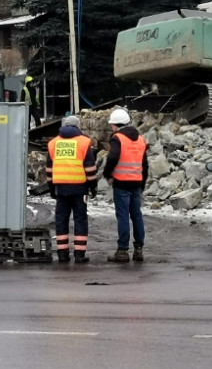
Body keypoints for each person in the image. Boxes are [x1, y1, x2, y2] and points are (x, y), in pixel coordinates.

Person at [46, 115, 98, 264]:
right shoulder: (84, 142)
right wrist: (93, 186)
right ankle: (79, 255)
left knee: (61, 219)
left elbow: (49, 169)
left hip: (61, 189)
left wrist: (51, 188)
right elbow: (90, 167)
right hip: (79, 188)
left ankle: (62, 254)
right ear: (78, 127)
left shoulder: (53, 143)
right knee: (80, 219)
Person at [104, 107, 148, 263]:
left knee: (123, 216)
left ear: (115, 125)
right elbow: (145, 164)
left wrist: (107, 174)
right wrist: (142, 184)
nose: (111, 128)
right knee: (136, 215)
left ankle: (122, 251)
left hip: (121, 183)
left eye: (111, 125)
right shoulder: (140, 139)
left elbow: (113, 157)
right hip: (136, 182)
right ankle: (139, 250)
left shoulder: (118, 138)